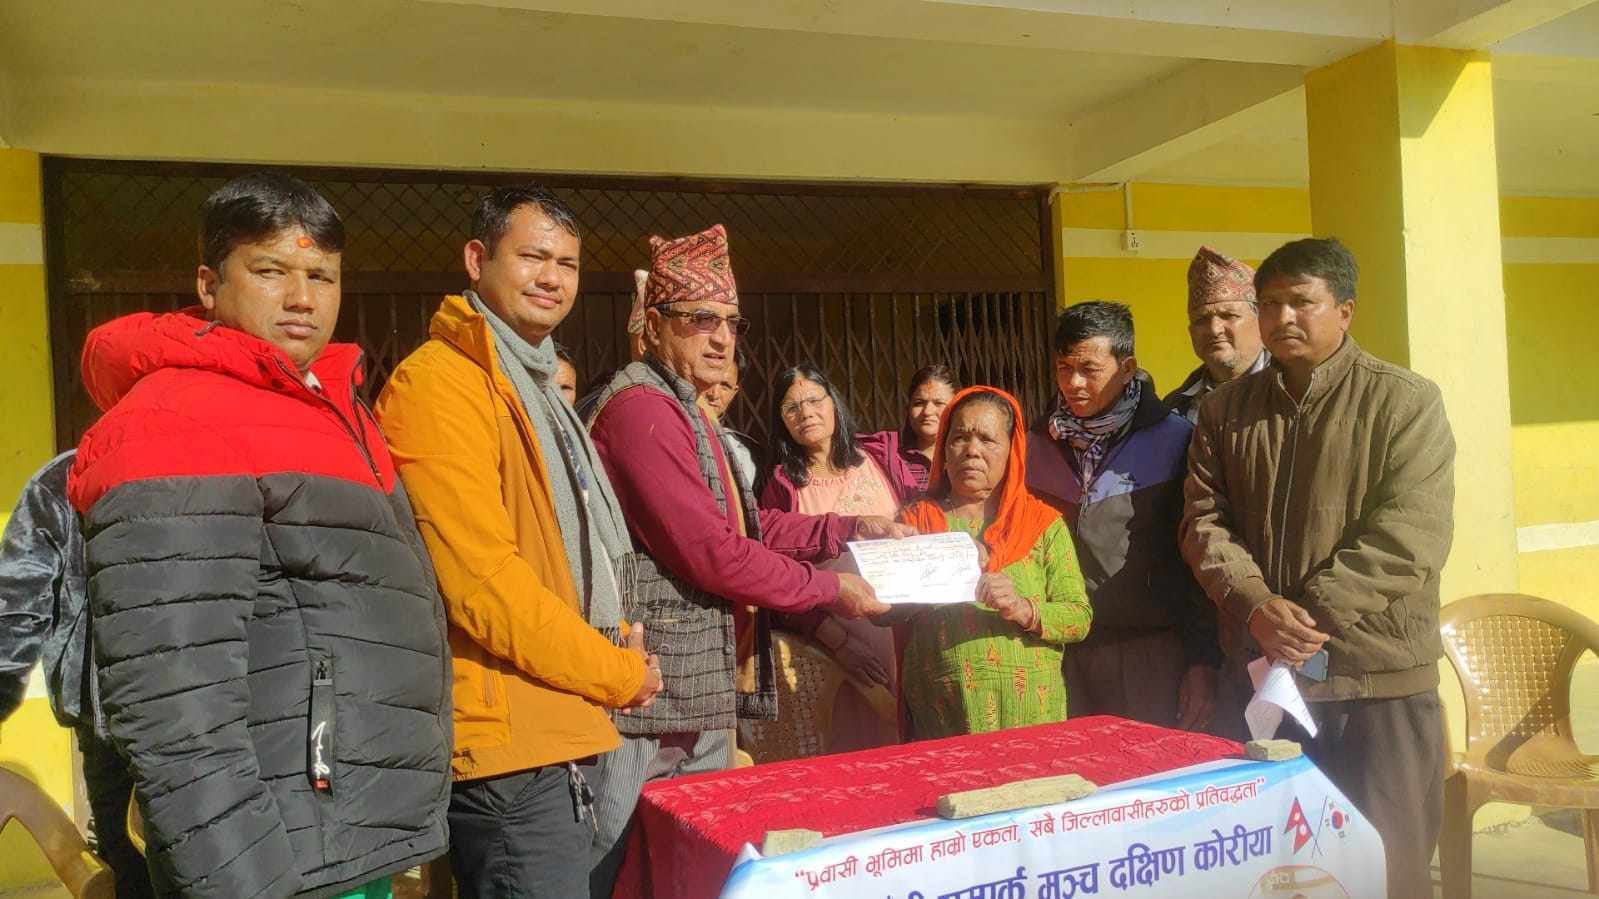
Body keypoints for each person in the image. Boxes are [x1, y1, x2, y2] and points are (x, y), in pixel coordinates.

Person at [65, 173, 451, 899]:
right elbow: (176, 700)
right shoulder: (174, 419)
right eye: (271, 271)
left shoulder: (331, 408)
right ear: (209, 285)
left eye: (321, 276)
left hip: (344, 833)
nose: (302, 297)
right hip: (274, 856)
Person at [585, 224, 910, 894]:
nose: (721, 339)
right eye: (699, 319)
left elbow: (750, 527)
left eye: (731, 322)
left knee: (695, 861)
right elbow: (713, 552)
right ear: (653, 324)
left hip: (696, 689)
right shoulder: (641, 411)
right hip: (656, 694)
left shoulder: (686, 409)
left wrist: (853, 527)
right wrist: (831, 589)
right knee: (641, 863)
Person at [374, 186, 662, 897]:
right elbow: (481, 582)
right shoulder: (441, 383)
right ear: (477, 259)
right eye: (533, 256)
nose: (551, 278)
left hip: (560, 715)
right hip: (506, 738)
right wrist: (615, 671)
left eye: (567, 263)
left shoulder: (533, 382)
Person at [1181, 237, 1453, 899]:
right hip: (1262, 679)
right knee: (1272, 873)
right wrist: (1254, 606)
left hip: (1376, 682)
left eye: (1300, 302)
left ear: (1345, 310)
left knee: (1386, 869)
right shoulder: (1224, 411)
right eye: (1269, 303)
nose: (1282, 318)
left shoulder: (1405, 402)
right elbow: (1202, 523)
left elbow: (1410, 535)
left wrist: (1306, 618)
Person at [1026, 301, 1220, 731]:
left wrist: (1203, 660)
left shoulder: (1176, 441)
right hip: (1057, 650)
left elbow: (1199, 559)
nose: (1073, 383)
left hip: (1149, 653)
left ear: (1127, 368)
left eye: (1089, 369)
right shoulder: (1034, 443)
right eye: (1063, 368)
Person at [895, 387, 1091, 739]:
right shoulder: (915, 523)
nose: (972, 450)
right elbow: (884, 610)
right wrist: (938, 557)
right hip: (941, 715)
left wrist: (1023, 608)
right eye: (959, 438)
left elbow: (1078, 618)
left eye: (987, 439)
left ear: (1012, 450)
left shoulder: (1043, 524)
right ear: (944, 448)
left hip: (1032, 714)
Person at [0, 451, 153, 898]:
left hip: (176, 714)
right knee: (127, 858)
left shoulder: (215, 465)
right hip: (109, 716)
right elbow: (15, 607)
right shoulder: (63, 480)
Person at [759, 362, 922, 752]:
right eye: (791, 407)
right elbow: (777, 576)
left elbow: (923, 521)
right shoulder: (782, 485)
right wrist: (840, 644)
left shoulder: (881, 459)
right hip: (837, 651)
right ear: (782, 421)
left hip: (909, 635)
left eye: (815, 400)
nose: (806, 413)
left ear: (834, 403)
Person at [1165, 246, 1271, 424]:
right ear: (1191, 332)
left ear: (1262, 322)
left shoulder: (1295, 391)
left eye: (1229, 315)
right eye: (1201, 319)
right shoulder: (1175, 408)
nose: (1214, 329)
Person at [698, 345, 761, 493]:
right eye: (709, 381)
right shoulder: (671, 434)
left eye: (725, 386)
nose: (714, 394)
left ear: (734, 392)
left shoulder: (749, 453)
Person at [898, 363, 959, 490]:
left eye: (939, 403)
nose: (927, 411)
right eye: (919, 403)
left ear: (957, 409)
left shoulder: (966, 459)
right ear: (907, 410)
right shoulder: (893, 462)